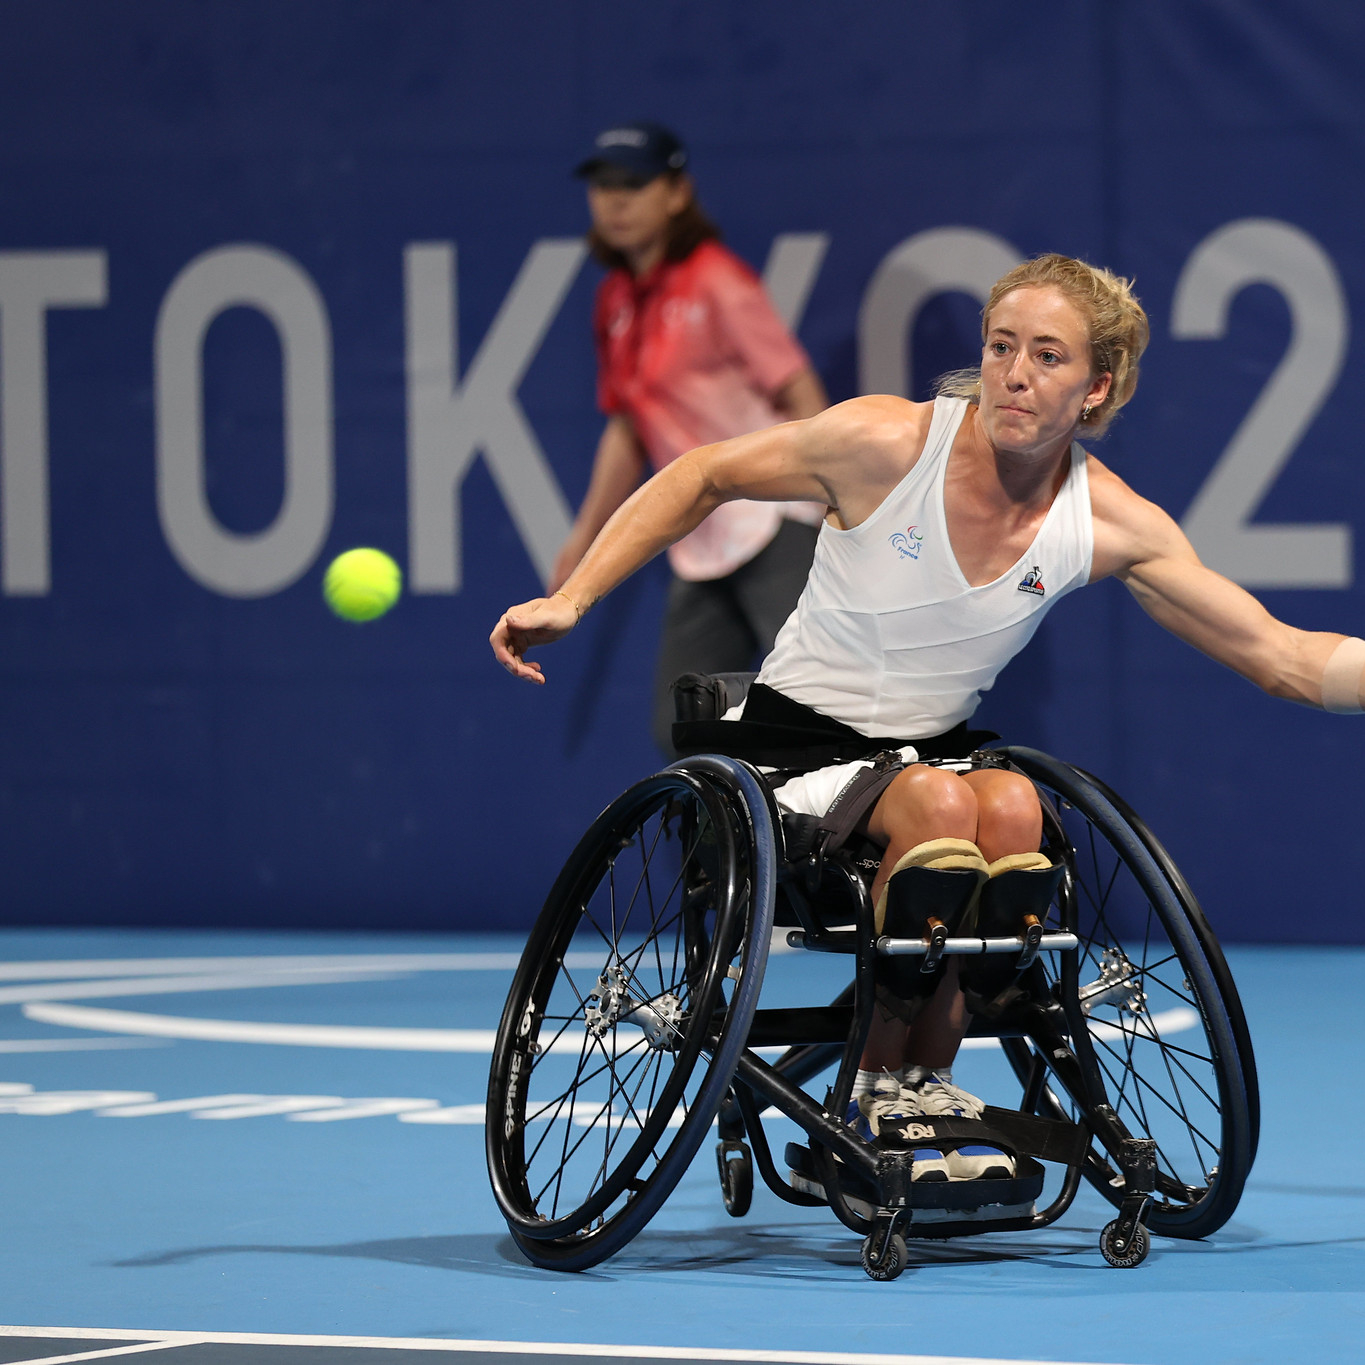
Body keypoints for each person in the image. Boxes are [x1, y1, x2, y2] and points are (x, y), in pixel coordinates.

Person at [492, 252, 1364, 1178]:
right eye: (1000, 347)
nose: (1015, 374)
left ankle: (928, 1079)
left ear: (1097, 386)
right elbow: (703, 474)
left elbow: (1279, 654)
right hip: (785, 769)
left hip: (928, 766)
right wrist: (574, 599)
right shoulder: (885, 445)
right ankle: (874, 1086)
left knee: (1016, 809)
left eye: (1047, 356)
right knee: (947, 807)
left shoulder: (1108, 522)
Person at [550, 121, 828, 754]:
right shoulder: (615, 300)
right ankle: (730, 856)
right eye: (602, 185)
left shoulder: (718, 281)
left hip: (776, 520)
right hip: (697, 534)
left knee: (821, 709)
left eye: (634, 183)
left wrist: (837, 503)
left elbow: (800, 393)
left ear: (677, 193)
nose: (614, 200)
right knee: (685, 735)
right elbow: (628, 429)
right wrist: (585, 537)